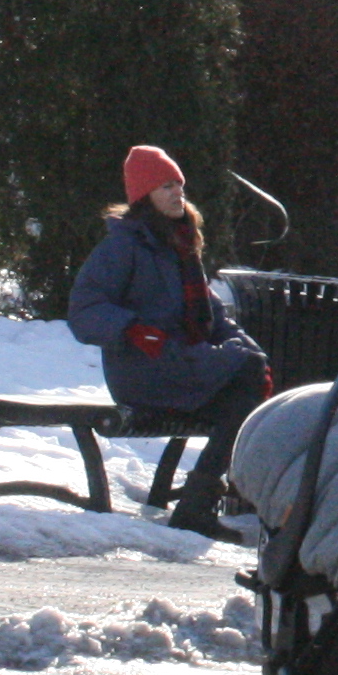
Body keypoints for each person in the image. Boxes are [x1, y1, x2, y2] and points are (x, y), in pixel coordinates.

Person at [66, 144, 270, 540]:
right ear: (145, 198)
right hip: (144, 368)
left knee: (244, 396)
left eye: (179, 184)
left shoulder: (180, 244)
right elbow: (84, 311)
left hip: (181, 363)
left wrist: (253, 352)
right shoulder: (124, 245)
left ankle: (197, 504)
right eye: (165, 187)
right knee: (245, 377)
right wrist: (131, 329)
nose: (177, 193)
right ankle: (199, 504)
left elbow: (214, 316)